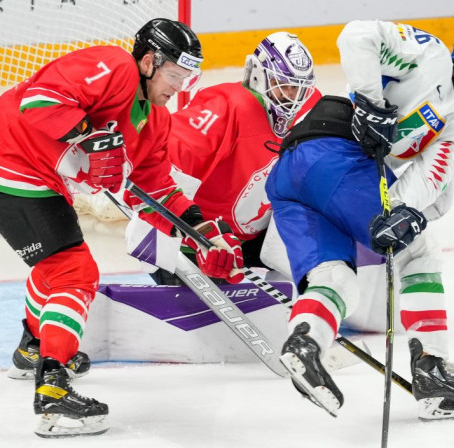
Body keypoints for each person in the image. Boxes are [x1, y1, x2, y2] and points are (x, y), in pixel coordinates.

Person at [0, 18, 245, 438]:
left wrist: (203, 232)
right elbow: (38, 100)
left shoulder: (157, 121)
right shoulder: (113, 67)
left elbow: (157, 190)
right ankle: (53, 394)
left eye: (187, 78)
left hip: (37, 183)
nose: (178, 87)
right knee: (74, 273)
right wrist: (89, 135)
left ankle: (32, 348)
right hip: (8, 170)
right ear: (148, 61)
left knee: (55, 265)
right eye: (173, 75)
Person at [265, 20, 454, 420]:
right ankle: (433, 373)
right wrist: (368, 100)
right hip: (333, 157)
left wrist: (400, 213)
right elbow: (356, 35)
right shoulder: (429, 55)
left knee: (335, 277)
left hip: (291, 176)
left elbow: (430, 183)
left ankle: (305, 345)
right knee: (420, 254)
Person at [127, 31, 319, 285]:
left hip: (255, 236)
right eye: (284, 85)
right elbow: (160, 170)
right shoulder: (224, 107)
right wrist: (201, 235)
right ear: (258, 76)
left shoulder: (310, 107)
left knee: (319, 260)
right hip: (196, 239)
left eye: (299, 88)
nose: (292, 97)